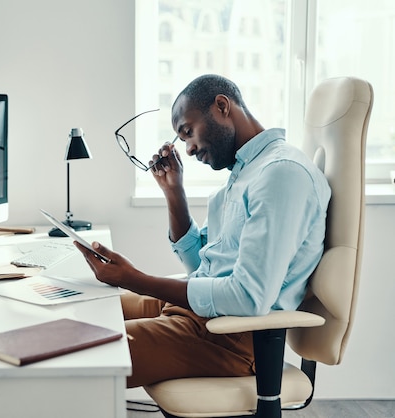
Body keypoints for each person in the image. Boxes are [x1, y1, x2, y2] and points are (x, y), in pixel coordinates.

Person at [74, 74, 331, 388]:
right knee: (81, 312)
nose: (190, 149)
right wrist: (174, 194)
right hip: (198, 312)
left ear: (222, 106)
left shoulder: (281, 174)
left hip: (230, 336)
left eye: (188, 131)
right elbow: (203, 268)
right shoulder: (245, 173)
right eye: (182, 140)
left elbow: (248, 298)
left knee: (80, 358)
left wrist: (135, 280)